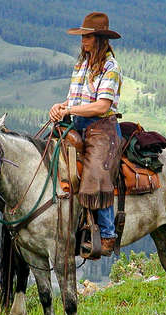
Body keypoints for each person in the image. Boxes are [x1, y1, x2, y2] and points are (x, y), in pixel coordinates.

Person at [49, 12, 123, 256]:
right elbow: (74, 99)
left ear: (100, 39)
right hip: (78, 123)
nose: (83, 40)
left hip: (102, 128)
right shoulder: (81, 64)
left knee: (96, 172)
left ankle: (107, 233)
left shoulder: (110, 67)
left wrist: (70, 108)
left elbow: (102, 106)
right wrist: (60, 106)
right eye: (83, 36)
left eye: (88, 36)